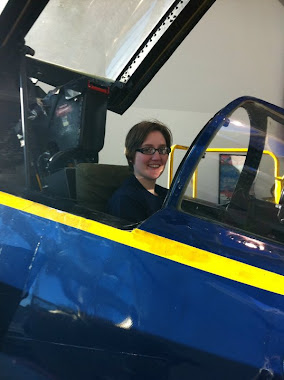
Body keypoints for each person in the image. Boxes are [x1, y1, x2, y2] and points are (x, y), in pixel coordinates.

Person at [107, 120, 172, 223]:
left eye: (162, 149)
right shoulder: (124, 200)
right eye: (147, 150)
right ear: (131, 156)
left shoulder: (167, 195)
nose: (157, 157)